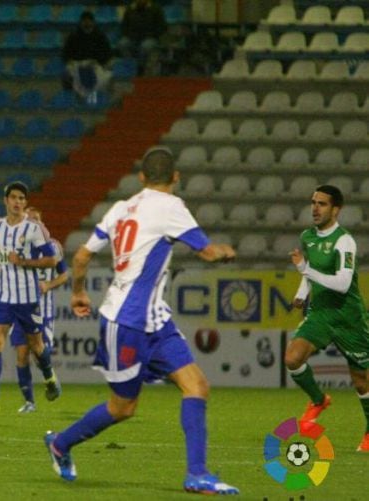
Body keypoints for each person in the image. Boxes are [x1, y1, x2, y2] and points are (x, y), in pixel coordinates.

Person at [44, 147, 239, 495]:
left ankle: (197, 474)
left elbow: (83, 255)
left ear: (142, 177)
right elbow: (208, 253)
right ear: (176, 177)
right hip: (127, 322)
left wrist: (78, 293)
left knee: (197, 386)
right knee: (122, 408)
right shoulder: (172, 207)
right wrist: (225, 251)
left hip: (154, 320)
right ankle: (60, 444)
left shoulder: (121, 208)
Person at [287, 185, 369, 452]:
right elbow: (311, 272)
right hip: (321, 313)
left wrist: (304, 269)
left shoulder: (344, 241)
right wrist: (302, 293)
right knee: (292, 358)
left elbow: (343, 284)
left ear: (336, 210)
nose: (315, 208)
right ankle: (319, 399)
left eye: (322, 204)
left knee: (361, 380)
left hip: (348, 318)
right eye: (313, 202)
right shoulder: (307, 237)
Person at [0, 182, 61, 413]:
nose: (17, 202)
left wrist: (23, 261)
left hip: (27, 298)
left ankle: (49, 376)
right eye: (13, 197)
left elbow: (51, 260)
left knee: (36, 346)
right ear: (6, 200)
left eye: (22, 198)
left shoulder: (34, 229)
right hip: (2, 296)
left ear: (25, 202)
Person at [10, 207, 69, 414]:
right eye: (29, 220)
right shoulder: (17, 247)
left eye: (37, 220)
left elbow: (64, 275)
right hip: (20, 307)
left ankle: (50, 378)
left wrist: (48, 285)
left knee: (38, 353)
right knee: (21, 355)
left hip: (43, 310)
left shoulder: (54, 247)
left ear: (42, 224)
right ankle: (29, 402)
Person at [61, 10, 113, 104]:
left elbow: (107, 54)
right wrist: (70, 62)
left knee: (106, 77)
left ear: (93, 22)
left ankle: (93, 101)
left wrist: (98, 62)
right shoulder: (73, 36)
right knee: (66, 76)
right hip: (78, 65)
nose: (87, 23)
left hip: (96, 66)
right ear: (81, 22)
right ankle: (73, 101)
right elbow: (66, 54)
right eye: (84, 21)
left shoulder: (100, 36)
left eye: (89, 20)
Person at [120, 0, 168, 75]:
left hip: (150, 38)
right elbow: (124, 25)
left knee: (145, 46)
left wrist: (153, 35)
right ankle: (130, 66)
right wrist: (128, 35)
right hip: (132, 38)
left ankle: (140, 67)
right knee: (123, 44)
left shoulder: (156, 9)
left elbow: (162, 27)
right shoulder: (130, 9)